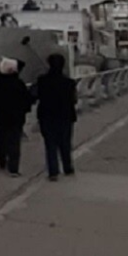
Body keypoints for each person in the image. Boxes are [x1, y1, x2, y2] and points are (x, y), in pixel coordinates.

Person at [0, 57, 34, 176]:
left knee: (0, 137)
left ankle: (2, 160)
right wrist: (26, 110)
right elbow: (26, 99)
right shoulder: (18, 83)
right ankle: (13, 168)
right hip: (16, 117)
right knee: (14, 141)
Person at [35, 52, 78, 180]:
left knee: (50, 144)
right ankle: (68, 167)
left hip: (47, 115)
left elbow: (36, 95)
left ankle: (53, 172)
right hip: (65, 115)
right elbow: (74, 100)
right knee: (65, 143)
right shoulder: (69, 82)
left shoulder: (42, 80)